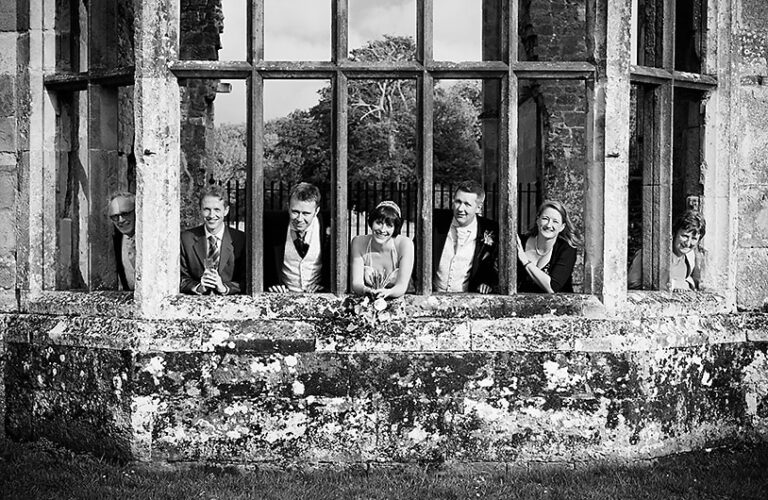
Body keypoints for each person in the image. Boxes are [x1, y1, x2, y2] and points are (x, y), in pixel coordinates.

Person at [433, 180, 498, 294]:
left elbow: (494, 262)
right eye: (458, 201)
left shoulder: (490, 228)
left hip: (467, 298)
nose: (460, 209)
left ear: (478, 208)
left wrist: (487, 282)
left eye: (467, 204)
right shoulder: (436, 220)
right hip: (432, 295)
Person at [264, 182, 330, 293]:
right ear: (288, 206)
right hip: (284, 295)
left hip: (317, 295)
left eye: (306, 213)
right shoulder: (272, 223)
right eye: (295, 212)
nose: (299, 219)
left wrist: (324, 285)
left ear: (316, 211)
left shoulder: (329, 223)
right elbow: (263, 259)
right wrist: (272, 284)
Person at [180, 186, 246, 295]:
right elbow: (180, 278)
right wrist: (199, 287)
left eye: (217, 210)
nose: (211, 215)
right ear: (200, 210)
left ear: (226, 211)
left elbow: (247, 279)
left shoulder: (241, 240)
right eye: (206, 209)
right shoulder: (186, 239)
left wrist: (224, 288)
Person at [350, 201, 414, 299]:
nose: (382, 229)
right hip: (368, 298)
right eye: (379, 223)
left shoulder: (405, 244)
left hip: (400, 299)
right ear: (371, 222)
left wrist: (388, 292)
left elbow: (402, 286)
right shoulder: (358, 242)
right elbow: (356, 283)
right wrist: (367, 290)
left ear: (395, 228)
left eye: (389, 225)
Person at [628, 209, 706, 290]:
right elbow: (632, 283)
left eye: (694, 238)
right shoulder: (650, 253)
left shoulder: (689, 259)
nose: (688, 243)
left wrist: (688, 285)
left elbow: (691, 282)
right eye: (685, 236)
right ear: (674, 233)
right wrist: (672, 285)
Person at [516, 200, 580, 293]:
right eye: (545, 218)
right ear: (537, 220)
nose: (549, 225)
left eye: (555, 221)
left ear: (562, 227)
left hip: (556, 306)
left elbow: (552, 287)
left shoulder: (567, 248)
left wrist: (525, 261)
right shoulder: (520, 243)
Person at [108, 191, 136, 291]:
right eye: (115, 217)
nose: (120, 220)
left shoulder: (155, 239)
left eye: (125, 214)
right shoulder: (117, 240)